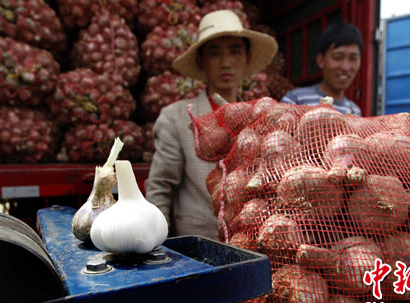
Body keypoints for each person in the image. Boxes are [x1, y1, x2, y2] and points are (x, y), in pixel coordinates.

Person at [144, 10, 278, 240]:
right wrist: (157, 242)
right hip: (197, 247)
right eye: (214, 53)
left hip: (249, 245)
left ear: (247, 57)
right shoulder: (176, 117)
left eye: (235, 51)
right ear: (201, 61)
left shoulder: (260, 118)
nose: (226, 62)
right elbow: (160, 187)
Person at [281, 22, 362, 116]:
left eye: (353, 58)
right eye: (337, 57)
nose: (346, 67)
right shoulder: (295, 100)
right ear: (321, 61)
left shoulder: (355, 111)